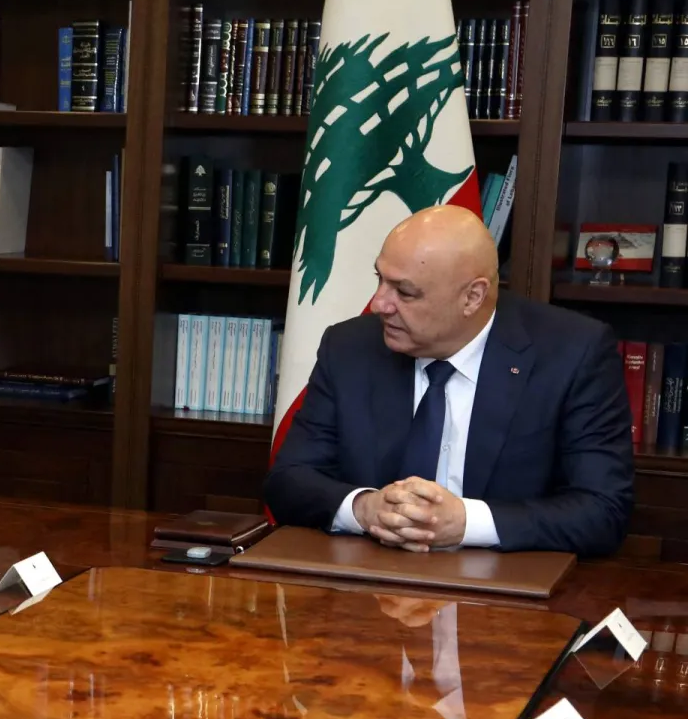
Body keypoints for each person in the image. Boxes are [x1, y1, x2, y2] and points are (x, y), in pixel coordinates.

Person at [263, 205, 634, 557]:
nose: (379, 304)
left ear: (472, 297)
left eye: (404, 292)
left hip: (502, 587)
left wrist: (465, 523)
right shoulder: (350, 347)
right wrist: (364, 508)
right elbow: (288, 481)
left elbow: (602, 510)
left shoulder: (572, 353)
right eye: (380, 279)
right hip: (365, 577)